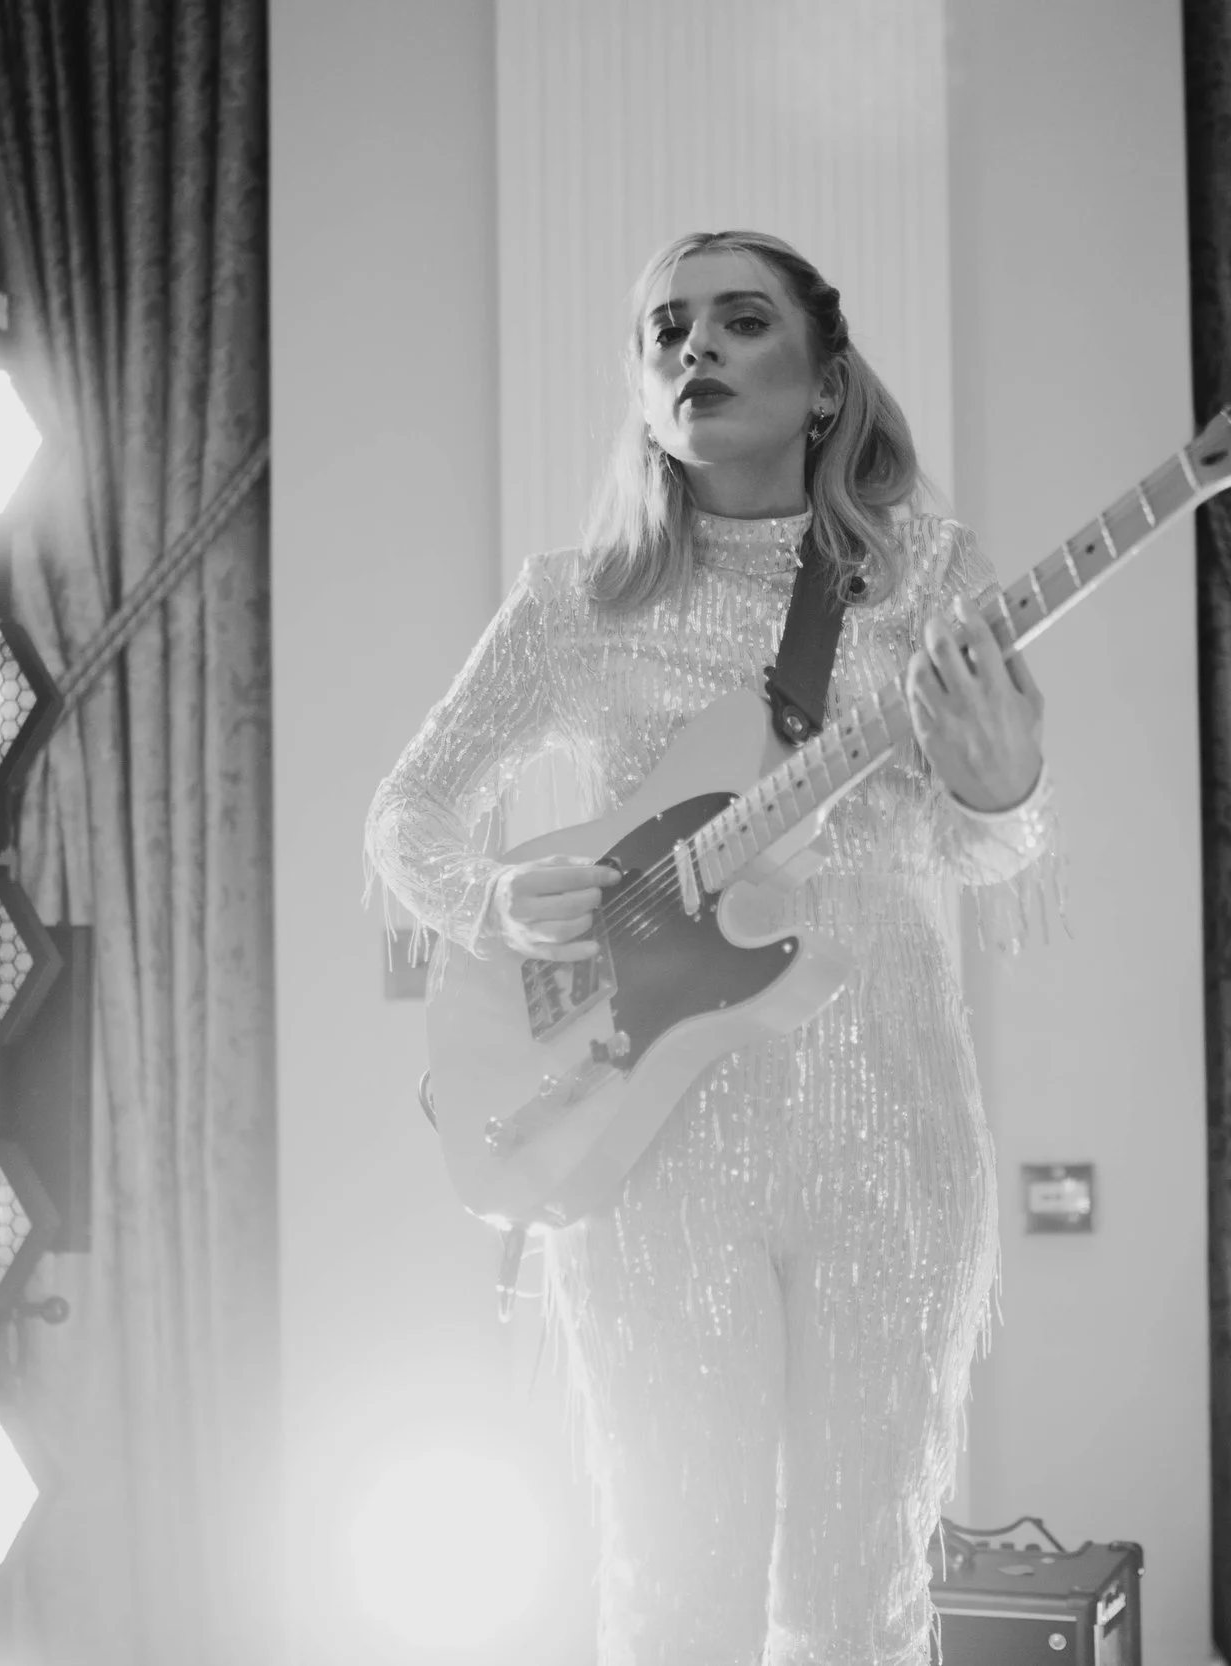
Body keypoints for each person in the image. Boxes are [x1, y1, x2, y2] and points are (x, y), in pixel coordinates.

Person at [365, 229, 1061, 1666]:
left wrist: (1003, 780)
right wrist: (494, 899)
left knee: (859, 1589)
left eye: (741, 322)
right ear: (642, 393)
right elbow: (407, 812)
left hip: (892, 1122)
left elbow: (983, 842)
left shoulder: (927, 573)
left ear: (824, 384)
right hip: (649, 1134)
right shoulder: (578, 600)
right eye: (665, 331)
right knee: (677, 1582)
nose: (695, 348)